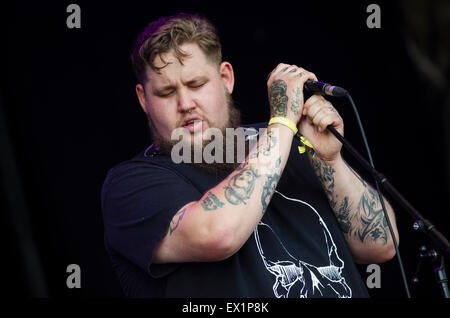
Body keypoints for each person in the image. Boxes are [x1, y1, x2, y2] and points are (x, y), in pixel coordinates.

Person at [101, 12, 399, 298]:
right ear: (143, 99)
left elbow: (381, 244)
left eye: (197, 84)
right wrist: (282, 121)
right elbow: (219, 234)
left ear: (226, 78)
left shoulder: (287, 139)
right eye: (166, 93)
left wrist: (330, 162)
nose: (185, 103)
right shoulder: (130, 184)